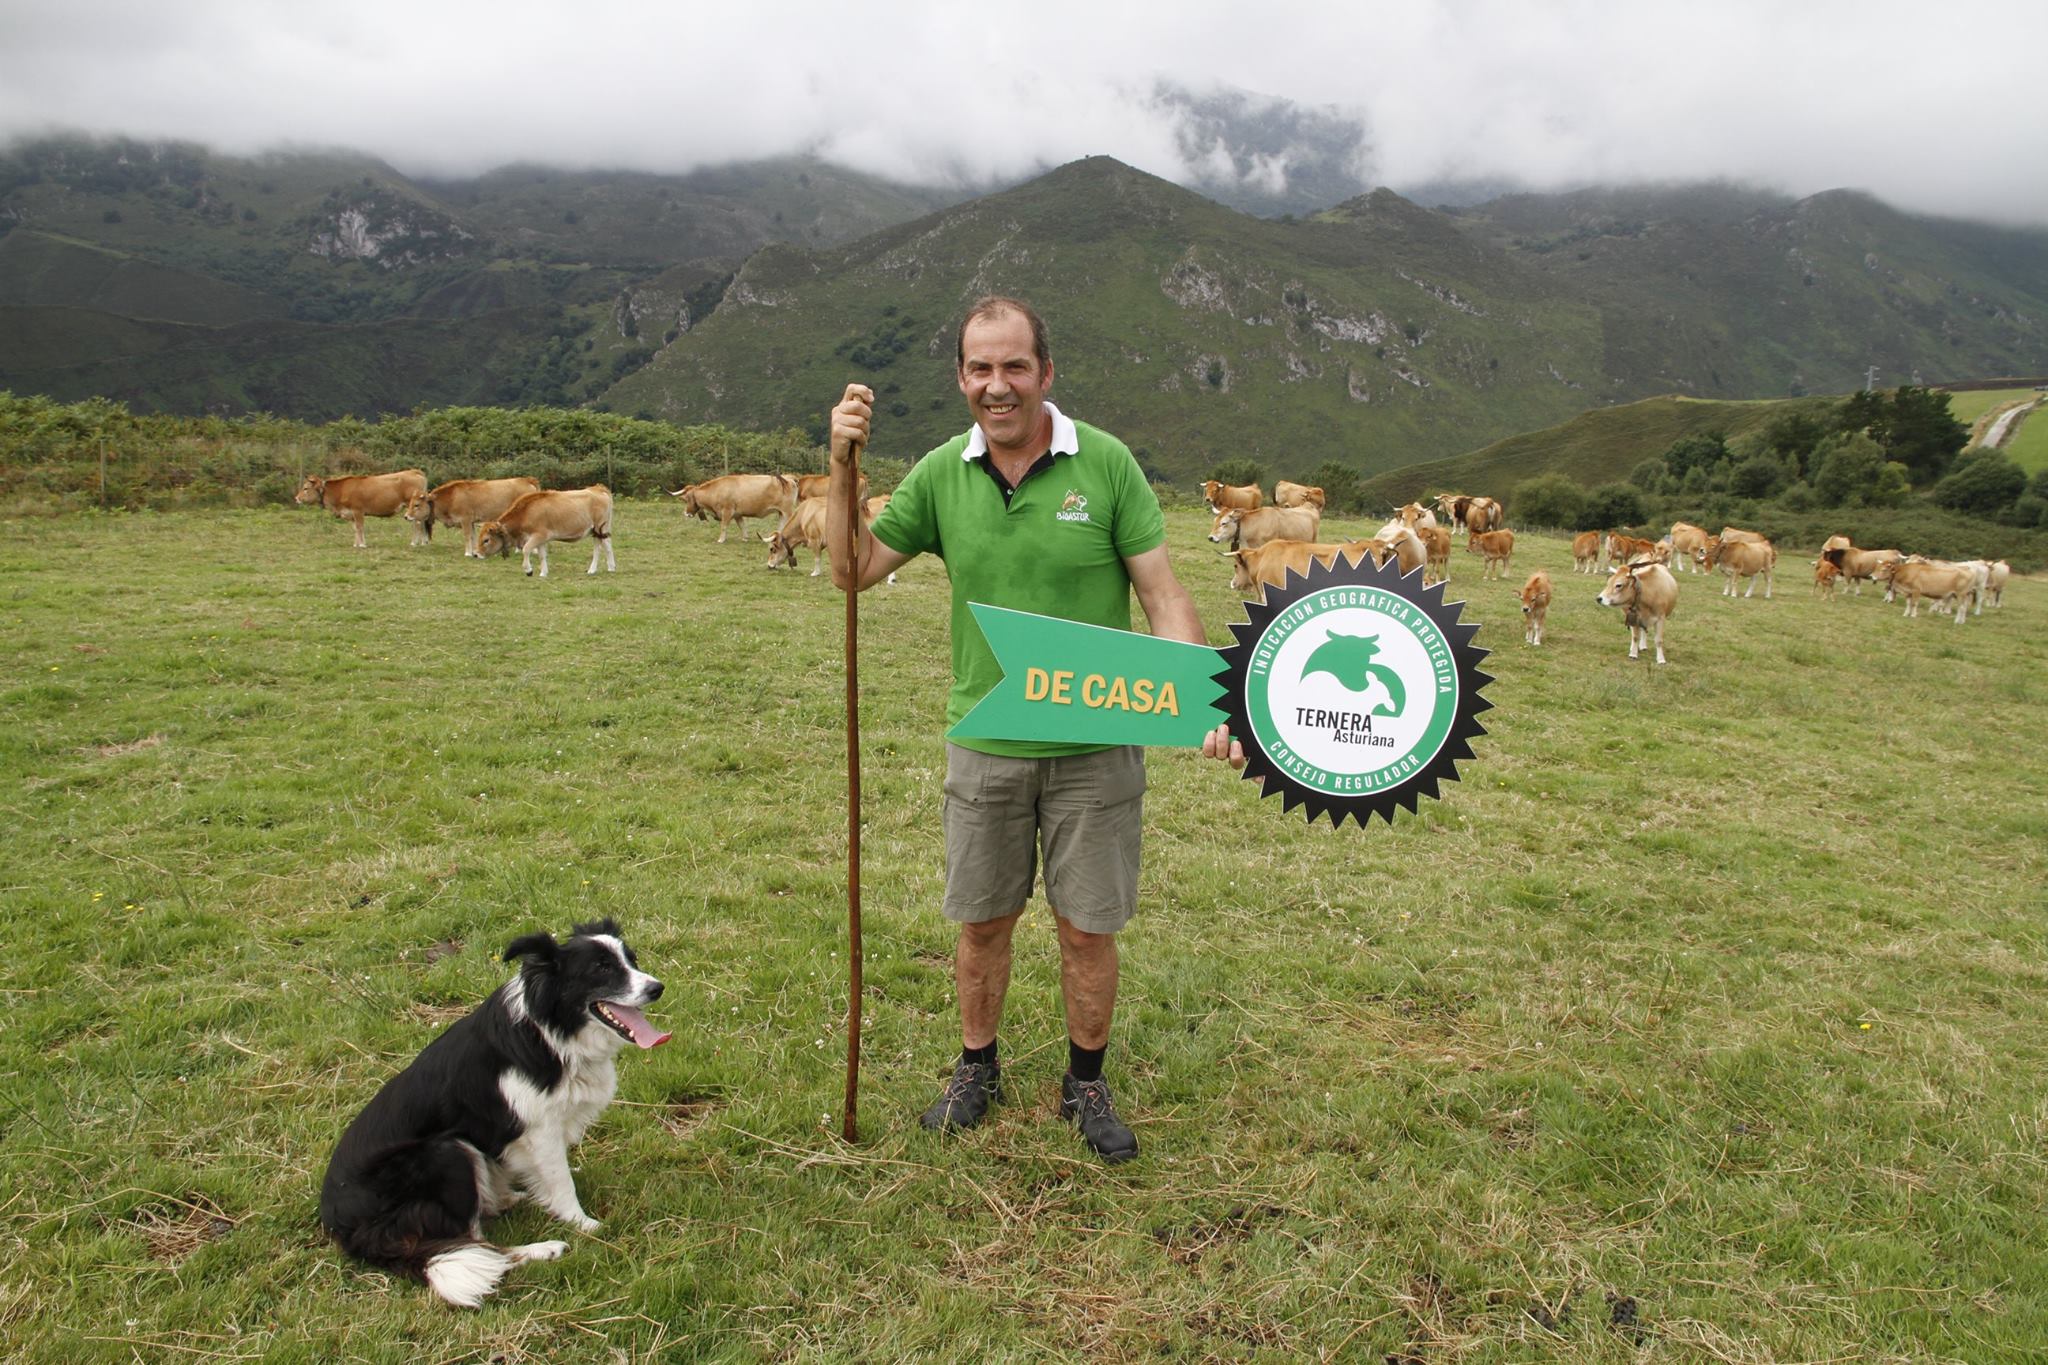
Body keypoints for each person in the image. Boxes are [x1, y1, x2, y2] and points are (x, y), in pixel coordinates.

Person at [827, 295, 1243, 1165]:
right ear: (961, 378)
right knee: (982, 922)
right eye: (981, 368)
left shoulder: (1108, 466)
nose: (998, 385)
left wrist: (1207, 698)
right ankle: (977, 1067)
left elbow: (1163, 593)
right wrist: (839, 467)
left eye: (1015, 366)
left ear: (1045, 373)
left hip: (1097, 743)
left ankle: (1084, 1080)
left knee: (1087, 926)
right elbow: (853, 570)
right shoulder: (942, 472)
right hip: (985, 743)